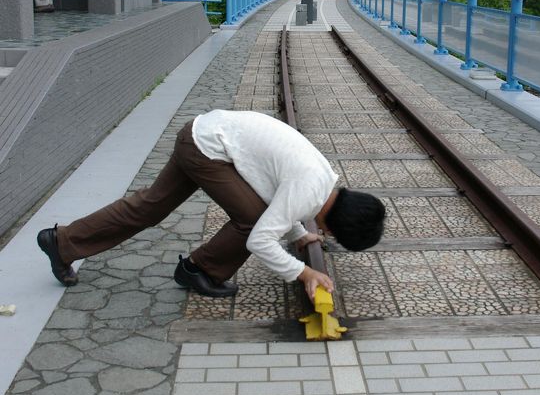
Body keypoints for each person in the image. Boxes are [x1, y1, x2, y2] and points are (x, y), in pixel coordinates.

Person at [37, 110, 385, 301]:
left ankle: (63, 242)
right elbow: (261, 238)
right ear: (332, 228)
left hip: (202, 132)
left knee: (150, 207)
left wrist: (297, 233)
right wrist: (304, 271)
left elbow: (279, 199)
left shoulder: (323, 179)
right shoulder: (310, 190)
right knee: (252, 222)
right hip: (207, 148)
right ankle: (199, 271)